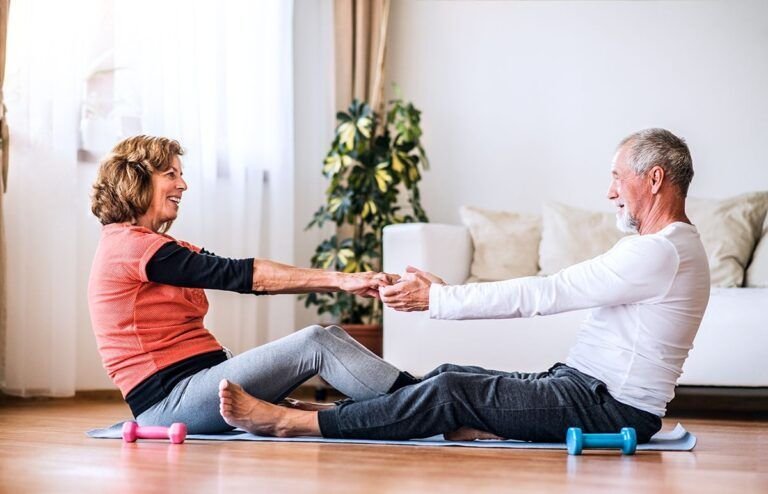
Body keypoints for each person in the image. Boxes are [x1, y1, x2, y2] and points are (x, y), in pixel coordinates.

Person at [216, 128, 711, 443]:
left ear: (653, 179)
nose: (609, 192)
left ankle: (296, 423)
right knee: (450, 375)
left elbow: (546, 293)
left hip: (607, 406)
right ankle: (343, 412)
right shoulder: (667, 247)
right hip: (583, 388)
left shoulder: (659, 251)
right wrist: (445, 290)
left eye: (617, 177)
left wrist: (438, 298)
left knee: (451, 390)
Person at [88, 135, 418, 434]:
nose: (183, 184)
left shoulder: (154, 247)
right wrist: (343, 281)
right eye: (170, 174)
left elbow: (242, 269)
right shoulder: (130, 248)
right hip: (170, 402)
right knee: (316, 342)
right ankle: (429, 404)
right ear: (137, 180)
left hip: (199, 385)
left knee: (326, 346)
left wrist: (345, 280)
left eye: (181, 173)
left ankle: (428, 396)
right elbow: (245, 276)